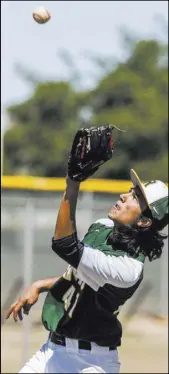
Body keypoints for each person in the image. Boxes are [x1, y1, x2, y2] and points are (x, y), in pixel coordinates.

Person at [5, 127, 168, 373]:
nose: (125, 195)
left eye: (135, 197)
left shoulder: (128, 270)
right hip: (52, 351)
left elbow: (65, 245)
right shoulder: (102, 226)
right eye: (131, 191)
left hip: (93, 364)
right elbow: (80, 277)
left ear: (145, 221)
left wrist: (73, 181)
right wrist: (41, 284)